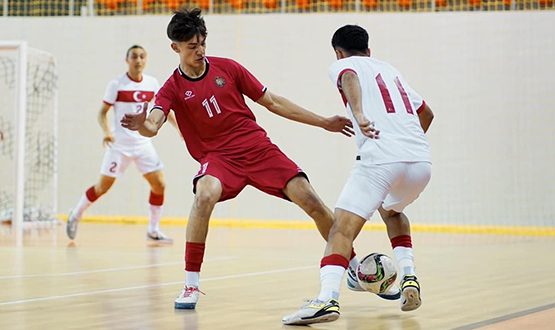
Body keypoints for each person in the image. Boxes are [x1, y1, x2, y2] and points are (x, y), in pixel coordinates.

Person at [121, 8, 370, 310]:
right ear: (175, 47)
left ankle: (354, 268)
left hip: (257, 148)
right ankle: (190, 284)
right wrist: (142, 125)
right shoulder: (171, 88)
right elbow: (153, 124)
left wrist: (322, 122)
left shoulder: (228, 68)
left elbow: (274, 102)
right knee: (204, 196)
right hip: (218, 157)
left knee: (312, 201)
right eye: (192, 46)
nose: (199, 51)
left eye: (202, 43)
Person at [282, 25, 435, 325]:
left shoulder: (343, 65)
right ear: (369, 49)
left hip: (380, 157)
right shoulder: (390, 70)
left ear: (338, 53)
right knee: (392, 212)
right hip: (420, 163)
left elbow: (349, 77)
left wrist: (360, 113)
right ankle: (409, 277)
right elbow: (426, 113)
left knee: (341, 229)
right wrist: (405, 146)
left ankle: (327, 299)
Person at [66, 45, 173, 244]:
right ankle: (76, 214)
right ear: (127, 60)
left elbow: (164, 109)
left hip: (143, 144)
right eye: (134, 57)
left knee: (159, 185)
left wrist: (180, 129)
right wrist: (107, 132)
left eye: (142, 56)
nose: (138, 60)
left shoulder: (152, 83)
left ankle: (153, 229)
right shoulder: (117, 84)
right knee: (102, 187)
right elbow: (102, 112)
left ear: (146, 60)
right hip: (120, 146)